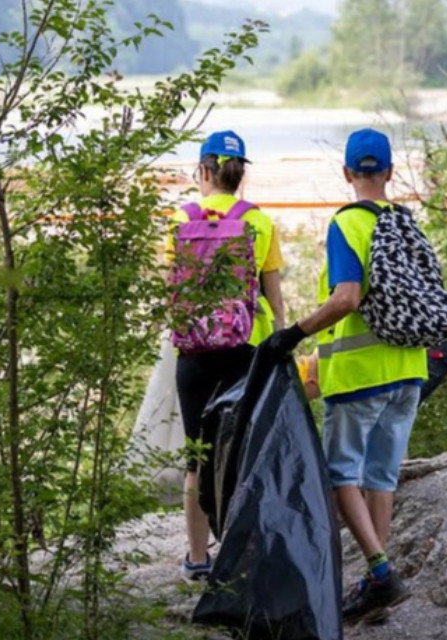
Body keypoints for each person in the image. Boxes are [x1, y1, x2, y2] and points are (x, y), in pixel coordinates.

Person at [259, 128, 425, 622]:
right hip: (409, 368)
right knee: (381, 476)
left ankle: (380, 573)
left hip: (358, 375)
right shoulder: (406, 223)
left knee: (339, 474)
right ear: (390, 172)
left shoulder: (347, 225)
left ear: (347, 172)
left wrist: (294, 333)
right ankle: (377, 583)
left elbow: (347, 298)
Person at [170, 130, 285, 580]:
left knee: (197, 458)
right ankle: (242, 559)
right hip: (244, 348)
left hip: (194, 350)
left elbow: (168, 288)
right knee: (242, 454)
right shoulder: (259, 222)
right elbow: (273, 296)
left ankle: (198, 560)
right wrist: (279, 339)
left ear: (203, 170)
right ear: (240, 174)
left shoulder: (179, 219)